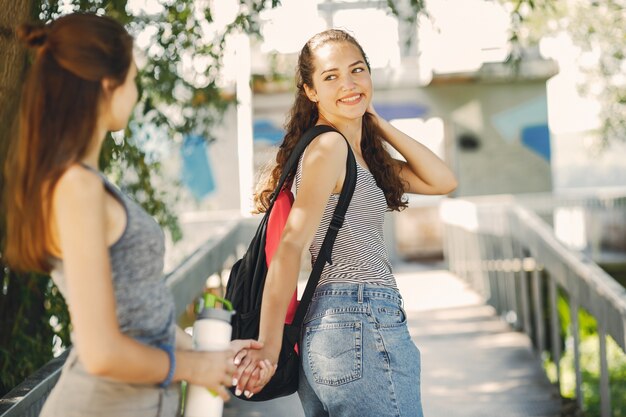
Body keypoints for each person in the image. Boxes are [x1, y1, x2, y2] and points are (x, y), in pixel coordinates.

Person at [3, 12, 272, 416]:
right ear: (108, 86)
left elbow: (140, 316)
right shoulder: (75, 187)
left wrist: (212, 353)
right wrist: (195, 366)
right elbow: (101, 351)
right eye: (132, 80)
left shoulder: (87, 182)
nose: (135, 93)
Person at [232, 29, 457, 415]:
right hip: (360, 319)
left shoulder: (358, 155)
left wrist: (375, 122)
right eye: (331, 76)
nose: (349, 84)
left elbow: (443, 180)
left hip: (338, 329)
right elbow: (290, 245)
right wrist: (269, 345)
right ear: (311, 91)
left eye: (357, 70)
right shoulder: (330, 147)